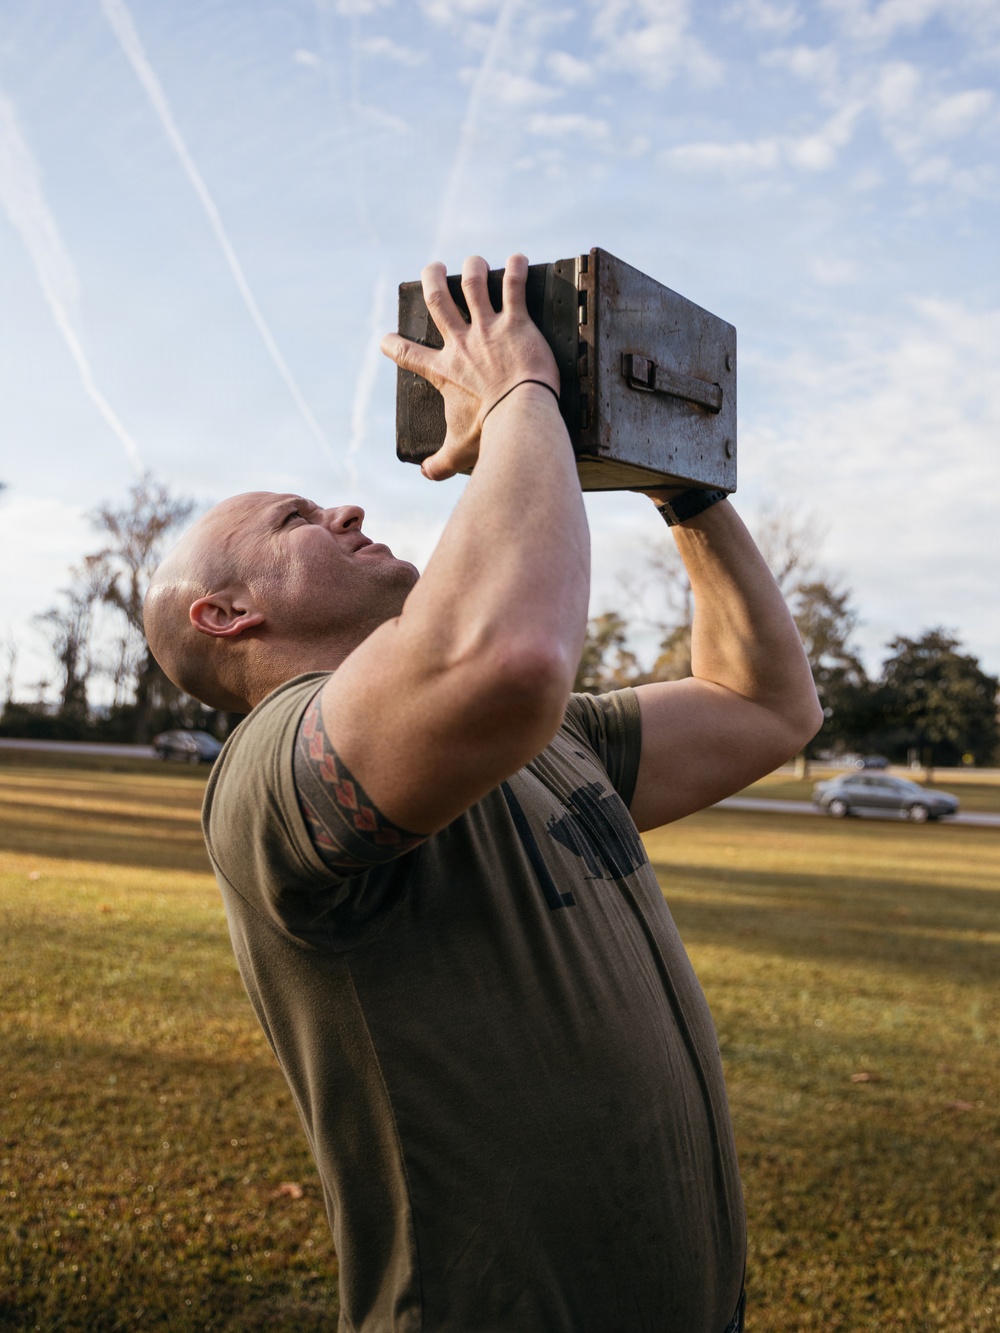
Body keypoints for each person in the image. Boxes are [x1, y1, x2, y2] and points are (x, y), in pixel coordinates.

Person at [144, 253, 822, 1333]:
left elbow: (765, 701)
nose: (349, 505)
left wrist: (681, 485)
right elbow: (501, 656)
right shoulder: (268, 775)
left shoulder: (552, 740)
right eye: (296, 520)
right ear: (224, 616)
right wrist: (518, 392)